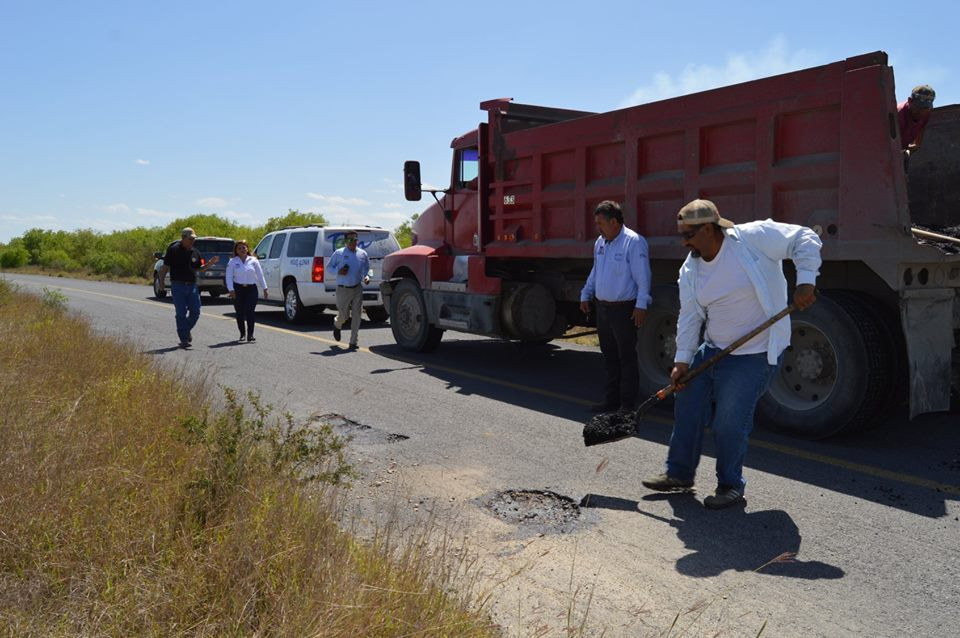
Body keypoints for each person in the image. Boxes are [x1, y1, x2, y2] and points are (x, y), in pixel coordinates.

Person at [642, 199, 822, 509]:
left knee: (728, 421)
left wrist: (806, 280)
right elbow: (690, 316)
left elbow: (804, 237)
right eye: (682, 235)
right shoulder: (691, 268)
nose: (684, 242)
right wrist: (682, 360)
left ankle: (730, 485)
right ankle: (680, 475)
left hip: (753, 354)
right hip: (712, 349)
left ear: (710, 229)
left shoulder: (753, 239)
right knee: (688, 404)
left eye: (689, 235)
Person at [579, 200, 652, 414]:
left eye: (600, 223)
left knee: (626, 357)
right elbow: (596, 271)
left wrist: (641, 305)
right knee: (609, 356)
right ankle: (611, 401)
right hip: (603, 309)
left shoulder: (634, 242)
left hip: (624, 310)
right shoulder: (600, 243)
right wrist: (585, 293)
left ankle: (627, 405)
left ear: (614, 222)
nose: (598, 228)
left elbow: (643, 277)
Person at [156, 227, 220, 348]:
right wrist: (162, 283)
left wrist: (210, 264)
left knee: (196, 311)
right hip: (178, 285)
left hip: (192, 286)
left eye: (194, 239)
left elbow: (199, 269)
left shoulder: (195, 252)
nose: (192, 241)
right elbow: (164, 268)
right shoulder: (173, 250)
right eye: (190, 239)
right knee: (181, 313)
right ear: (183, 238)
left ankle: (185, 330)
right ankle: (184, 338)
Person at [328, 230, 370, 350]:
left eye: (355, 239)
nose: (353, 242)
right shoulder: (339, 253)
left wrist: (367, 277)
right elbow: (329, 267)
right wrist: (338, 271)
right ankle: (337, 324)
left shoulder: (363, 254)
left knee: (357, 314)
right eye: (350, 240)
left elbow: (367, 269)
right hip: (343, 289)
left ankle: (353, 342)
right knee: (344, 315)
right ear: (346, 241)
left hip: (357, 288)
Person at [225, 240, 268, 342]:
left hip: (251, 289)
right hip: (238, 289)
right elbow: (228, 276)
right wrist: (231, 290)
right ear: (236, 250)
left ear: (247, 248)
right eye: (239, 248)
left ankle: (250, 335)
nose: (242, 250)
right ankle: (242, 334)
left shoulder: (253, 260)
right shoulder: (232, 261)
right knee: (239, 312)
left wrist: (265, 288)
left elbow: (260, 275)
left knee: (250, 311)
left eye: (244, 247)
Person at [898, 84, 936, 169]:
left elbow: (917, 143)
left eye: (925, 108)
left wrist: (908, 151)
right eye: (918, 107)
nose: (921, 112)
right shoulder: (897, 114)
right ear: (910, 101)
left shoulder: (926, 113)